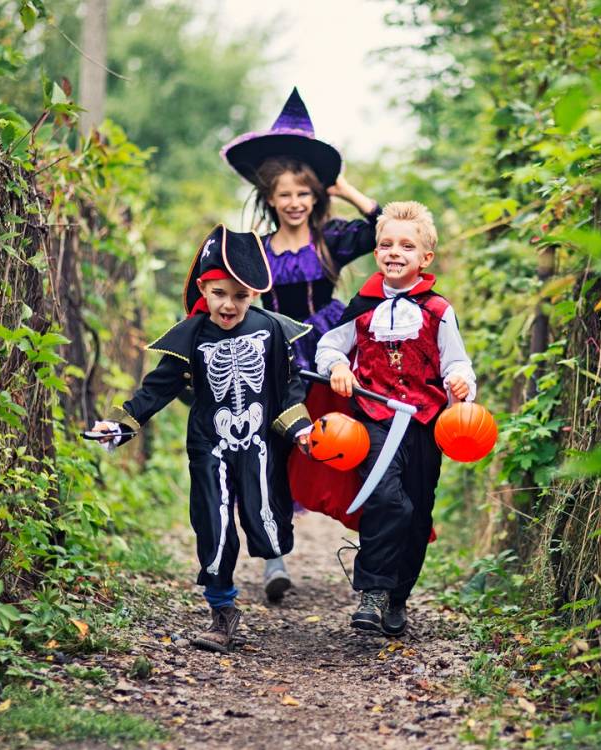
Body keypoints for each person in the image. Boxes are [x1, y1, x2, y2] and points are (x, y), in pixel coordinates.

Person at [90, 225, 313, 653]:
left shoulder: (272, 331)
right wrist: (119, 424)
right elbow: (157, 389)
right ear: (202, 289)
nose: (229, 305)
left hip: (261, 443)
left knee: (264, 514)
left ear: (254, 295)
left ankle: (268, 566)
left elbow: (291, 385)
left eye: (241, 295)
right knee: (213, 520)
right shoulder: (189, 336)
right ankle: (222, 610)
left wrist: (299, 427)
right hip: (209, 443)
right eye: (220, 294)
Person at [221, 87, 380, 601]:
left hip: (328, 352)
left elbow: (387, 231)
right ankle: (274, 559)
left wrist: (347, 189)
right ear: (270, 198)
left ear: (316, 196)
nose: (294, 203)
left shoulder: (331, 240)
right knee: (266, 449)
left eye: (304, 193)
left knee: (346, 447)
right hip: (272, 356)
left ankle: (374, 553)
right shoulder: (257, 250)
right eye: (285, 194)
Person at [314, 201, 477, 636]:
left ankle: (397, 598)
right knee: (387, 500)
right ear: (376, 252)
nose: (394, 252)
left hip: (425, 424)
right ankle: (372, 592)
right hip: (375, 418)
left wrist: (461, 384)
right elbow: (330, 346)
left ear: (425, 257)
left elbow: (457, 364)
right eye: (386, 244)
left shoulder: (439, 310)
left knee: (417, 512)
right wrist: (339, 367)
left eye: (407, 245)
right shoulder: (362, 305)